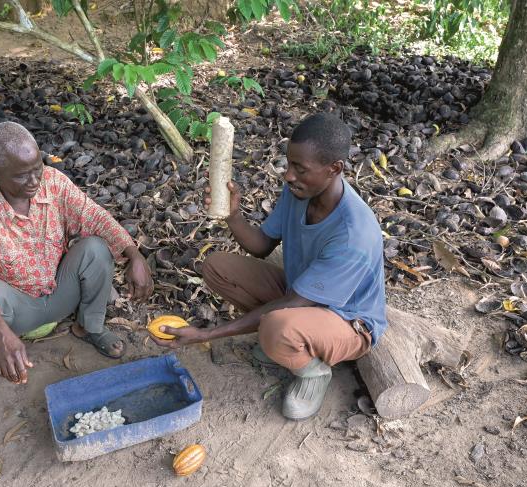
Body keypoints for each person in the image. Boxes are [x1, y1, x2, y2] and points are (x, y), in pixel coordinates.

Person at [150, 113, 387, 421]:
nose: (288, 175)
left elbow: (293, 303)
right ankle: (285, 341)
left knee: (277, 327)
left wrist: (207, 334)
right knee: (217, 266)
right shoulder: (300, 191)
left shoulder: (353, 234)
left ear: (335, 169)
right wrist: (233, 216)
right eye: (289, 164)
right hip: (303, 296)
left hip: (349, 322)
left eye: (300, 168)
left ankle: (313, 372)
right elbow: (262, 245)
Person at [0, 121, 153, 399]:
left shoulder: (53, 182)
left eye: (36, 168)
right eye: (22, 175)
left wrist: (134, 254)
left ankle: (90, 327)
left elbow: (94, 216)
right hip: (14, 313)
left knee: (96, 248)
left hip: (60, 294)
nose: (34, 181)